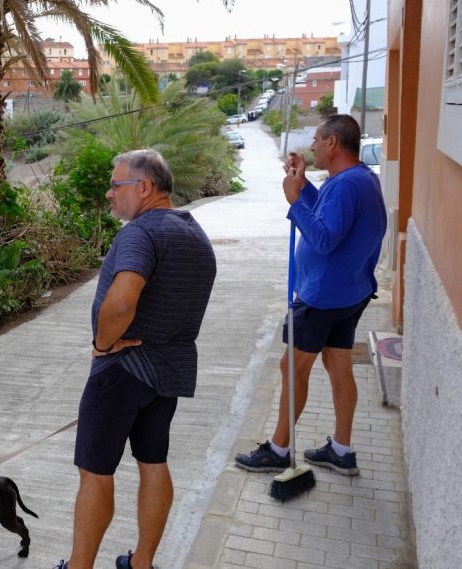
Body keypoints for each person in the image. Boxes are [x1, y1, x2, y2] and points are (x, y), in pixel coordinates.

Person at [57, 149, 217, 569]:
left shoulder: (140, 233)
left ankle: (79, 567)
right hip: (167, 375)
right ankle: (142, 562)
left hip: (123, 373)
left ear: (144, 188)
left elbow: (121, 303)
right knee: (153, 462)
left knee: (95, 472)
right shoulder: (193, 232)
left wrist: (105, 344)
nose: (109, 194)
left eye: (116, 184)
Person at [235, 115, 386, 477]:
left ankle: (278, 450)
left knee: (292, 368)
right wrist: (303, 187)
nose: (313, 146)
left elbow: (323, 238)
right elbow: (330, 217)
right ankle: (341, 450)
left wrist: (293, 201)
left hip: (323, 297)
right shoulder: (358, 179)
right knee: (338, 369)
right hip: (349, 292)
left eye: (318, 139)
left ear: (333, 143)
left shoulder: (347, 185)